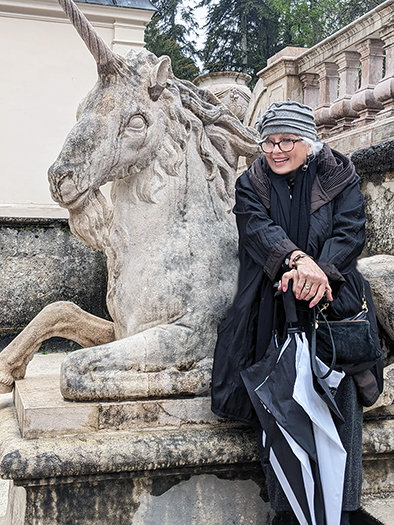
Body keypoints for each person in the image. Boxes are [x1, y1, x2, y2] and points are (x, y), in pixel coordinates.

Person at [211, 101, 382, 524]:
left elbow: (350, 232)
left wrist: (319, 271)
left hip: (332, 310)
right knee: (280, 413)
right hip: (270, 311)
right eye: (269, 140)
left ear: (309, 141)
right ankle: (289, 511)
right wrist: (296, 261)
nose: (276, 149)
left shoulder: (339, 174)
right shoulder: (251, 183)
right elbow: (256, 230)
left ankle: (342, 511)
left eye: (286, 140)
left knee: (340, 414)